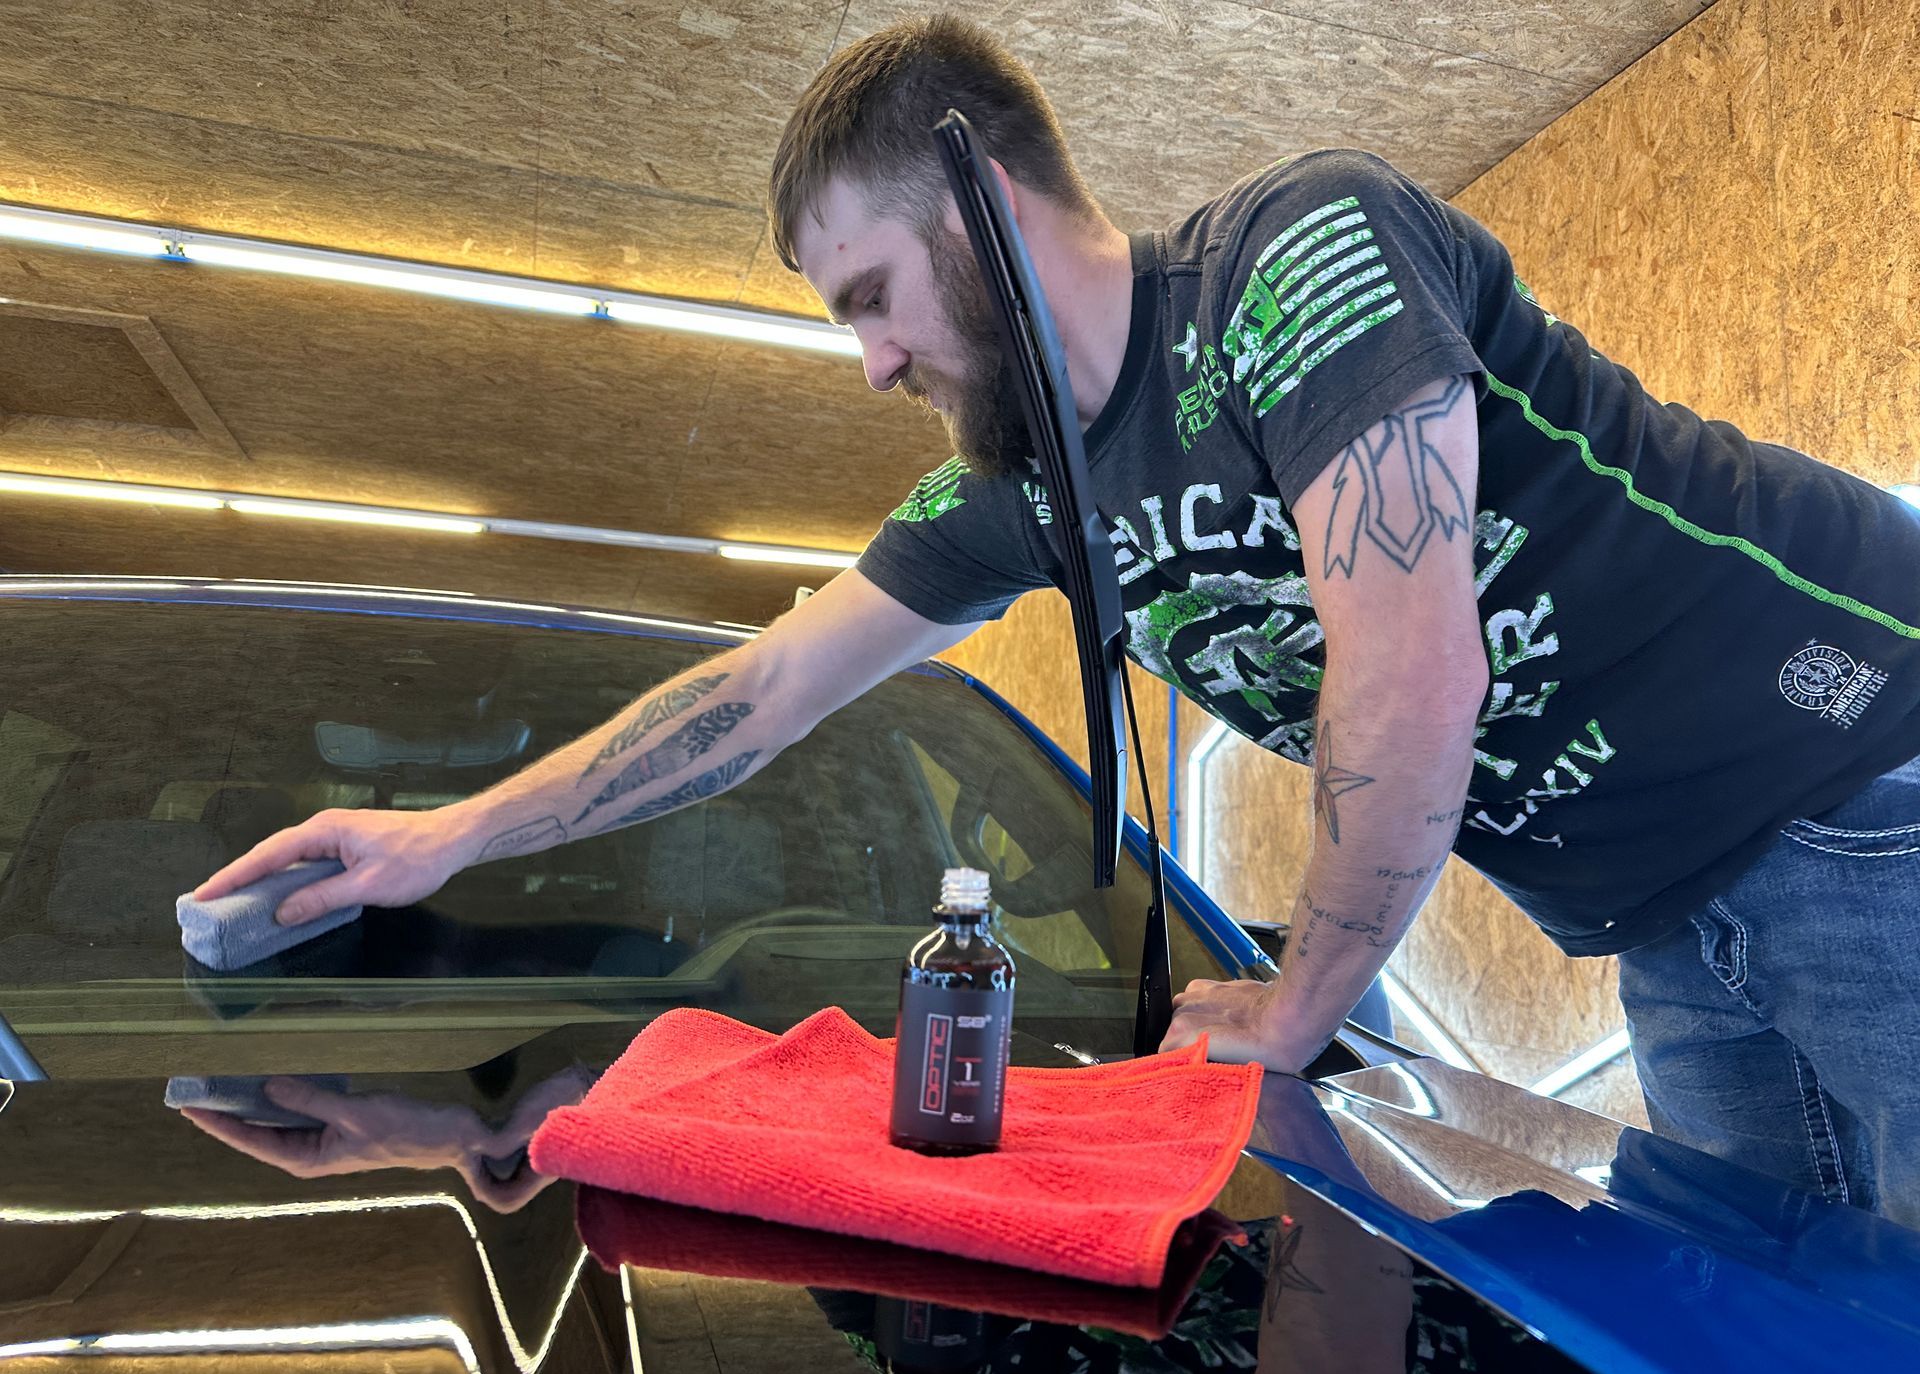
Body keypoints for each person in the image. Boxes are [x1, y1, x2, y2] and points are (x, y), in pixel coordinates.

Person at [197, 16, 1920, 1226]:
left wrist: (1303, 1002)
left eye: (869, 294)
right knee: (1800, 1338)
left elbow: (1414, 658)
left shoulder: (1294, 261)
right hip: (1674, 919)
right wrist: (440, 840)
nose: (870, 361)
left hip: (1862, 784)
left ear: (987, 208)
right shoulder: (1025, 488)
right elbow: (767, 688)